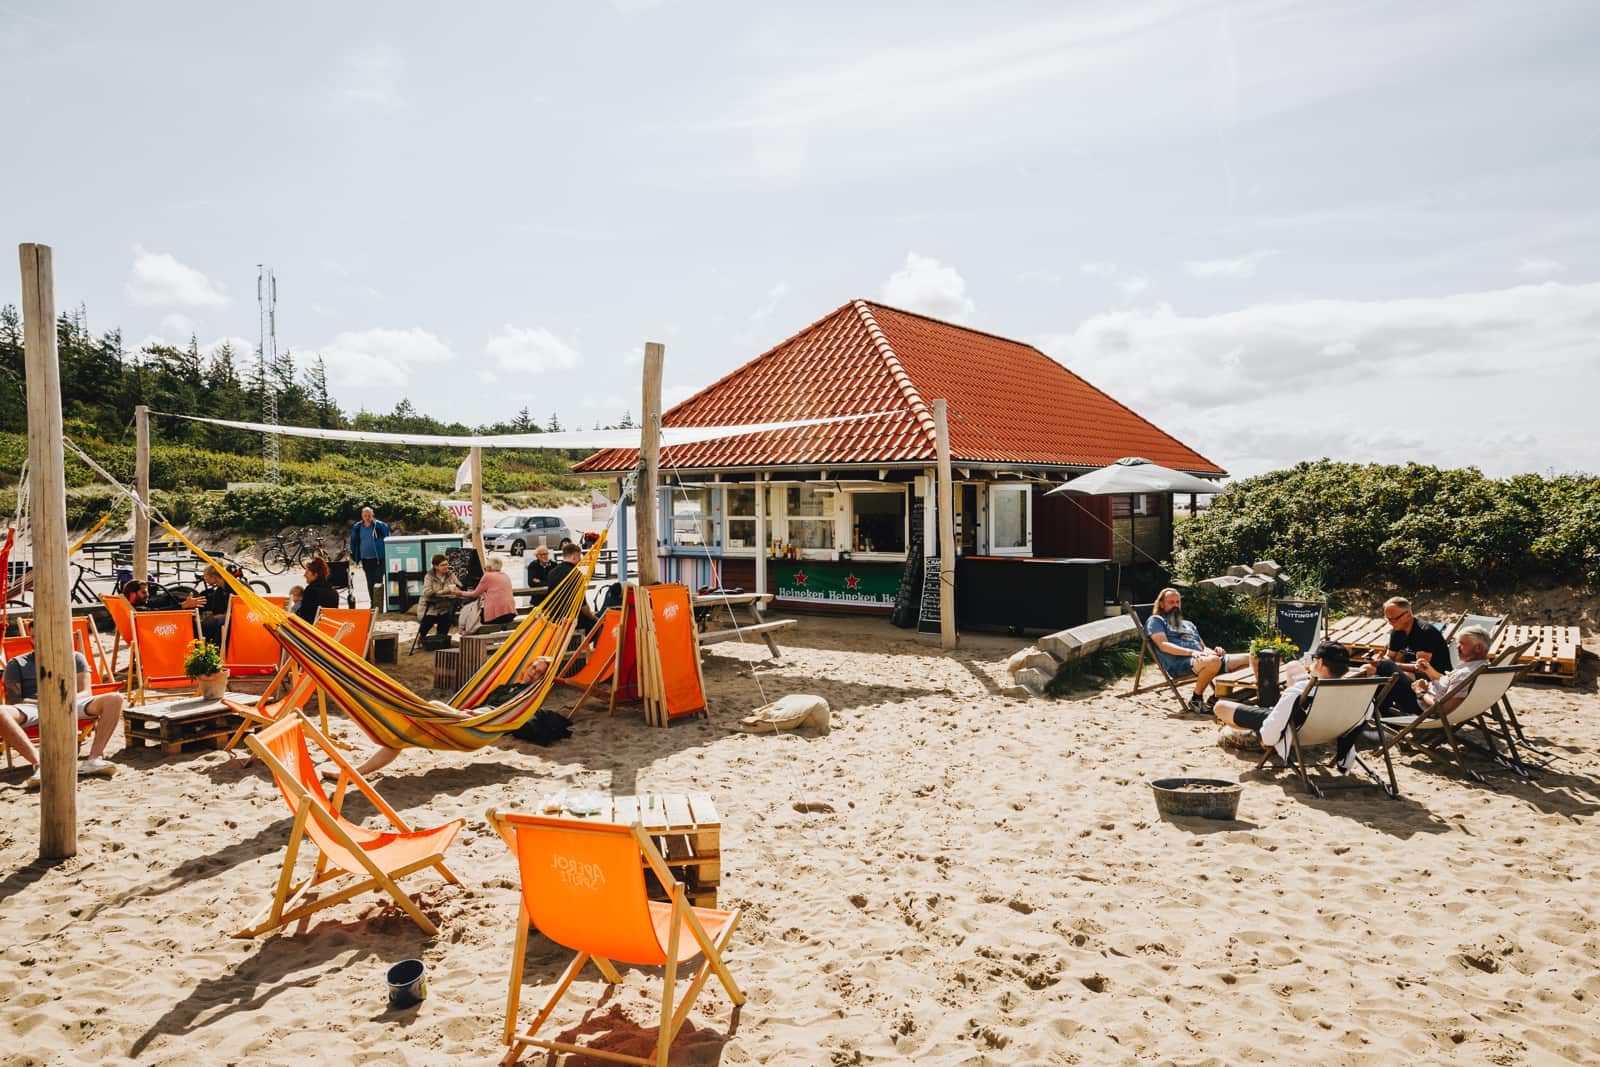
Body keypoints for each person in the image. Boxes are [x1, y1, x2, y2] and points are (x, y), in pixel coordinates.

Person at [338, 655, 553, 778]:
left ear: (541, 679)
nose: (532, 672)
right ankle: (355, 774)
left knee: (431, 706)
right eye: (533, 666)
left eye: (538, 672)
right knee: (398, 737)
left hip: (480, 725)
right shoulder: (511, 686)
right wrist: (469, 712)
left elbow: (499, 714)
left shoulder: (526, 697)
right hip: (472, 718)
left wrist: (470, 715)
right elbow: (484, 703)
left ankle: (354, 774)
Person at [1213, 641, 1363, 768]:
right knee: (1293, 666)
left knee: (1220, 707)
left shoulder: (1301, 690)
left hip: (1291, 729)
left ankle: (1246, 732)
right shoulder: (1354, 691)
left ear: (1321, 662)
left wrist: (1266, 739)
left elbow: (1275, 723)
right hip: (1327, 731)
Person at [2, 646, 125, 788]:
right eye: (34, 636)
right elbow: (14, 701)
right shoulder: (17, 663)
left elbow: (86, 692)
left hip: (71, 703)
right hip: (34, 707)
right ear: (31, 637)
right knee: (1, 712)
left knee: (115, 699)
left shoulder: (75, 657)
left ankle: (94, 759)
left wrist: (63, 702)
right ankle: (41, 764)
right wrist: (45, 703)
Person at [1144, 587, 1250, 713]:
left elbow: (1203, 648)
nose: (1175, 605)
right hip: (1180, 664)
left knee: (1250, 659)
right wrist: (1191, 652)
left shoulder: (1188, 624)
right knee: (1214, 661)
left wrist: (1215, 651)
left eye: (1178, 602)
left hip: (1203, 660)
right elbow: (1163, 645)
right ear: (1161, 604)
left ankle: (1218, 696)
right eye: (1171, 602)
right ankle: (1196, 699)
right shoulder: (1156, 620)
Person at [1364, 623, 1491, 720]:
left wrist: (1420, 692)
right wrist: (1429, 671)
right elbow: (1449, 684)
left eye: (1462, 644)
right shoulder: (1483, 667)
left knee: (1386, 665)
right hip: (1429, 693)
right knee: (1382, 676)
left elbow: (1442, 709)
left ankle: (1382, 719)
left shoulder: (1465, 674)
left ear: (1478, 648)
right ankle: (1382, 717)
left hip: (1423, 705)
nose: (1458, 648)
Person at [1366, 596, 1455, 717]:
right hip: (1411, 674)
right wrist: (1379, 660)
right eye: (1387, 619)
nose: (1391, 623)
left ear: (1408, 615)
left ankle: (1381, 712)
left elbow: (1421, 667)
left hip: (1435, 676)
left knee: (1390, 672)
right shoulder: (1397, 632)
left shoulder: (1424, 632)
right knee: (1368, 669)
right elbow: (1389, 657)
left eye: (1394, 619)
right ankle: (1380, 711)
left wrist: (1391, 665)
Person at [540, 542, 597, 633]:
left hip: (555, 618)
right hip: (572, 619)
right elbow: (582, 605)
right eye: (579, 556)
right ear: (574, 556)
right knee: (597, 625)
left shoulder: (552, 572)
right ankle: (586, 646)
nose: (580, 560)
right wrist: (593, 617)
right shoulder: (576, 574)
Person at [415, 554, 465, 649]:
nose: (446, 567)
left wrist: (457, 589)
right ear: (435, 566)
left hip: (445, 606)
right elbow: (427, 592)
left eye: (446, 564)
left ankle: (439, 641)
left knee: (446, 621)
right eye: (442, 565)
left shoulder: (450, 575)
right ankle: (419, 639)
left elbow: (460, 585)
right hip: (430, 606)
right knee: (426, 623)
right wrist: (442, 592)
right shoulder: (429, 576)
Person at [348, 506, 390, 608]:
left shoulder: (380, 526)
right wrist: (354, 555)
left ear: (372, 515)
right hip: (365, 560)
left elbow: (388, 539)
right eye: (365, 515)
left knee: (378, 581)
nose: (367, 517)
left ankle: (378, 605)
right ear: (362, 516)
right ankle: (373, 603)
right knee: (369, 581)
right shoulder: (357, 527)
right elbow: (353, 542)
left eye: (369, 515)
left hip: (379, 559)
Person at [462, 556, 517, 628]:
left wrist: (459, 592)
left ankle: (466, 635)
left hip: (497, 616)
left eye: (485, 568)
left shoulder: (487, 576)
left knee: (471, 619)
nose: (485, 570)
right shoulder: (505, 576)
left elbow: (474, 594)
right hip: (510, 615)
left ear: (490, 568)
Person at [183, 565, 232, 644]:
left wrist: (217, 617)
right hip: (223, 617)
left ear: (214, 577)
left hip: (235, 619)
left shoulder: (231, 588)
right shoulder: (219, 590)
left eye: (205, 576)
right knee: (204, 624)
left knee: (219, 623)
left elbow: (235, 611)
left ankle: (217, 649)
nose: (204, 578)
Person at [296, 557, 340, 624]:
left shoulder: (311, 591)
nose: (304, 575)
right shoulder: (334, 592)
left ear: (315, 575)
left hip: (309, 631)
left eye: (307, 572)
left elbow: (304, 617)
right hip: (327, 630)